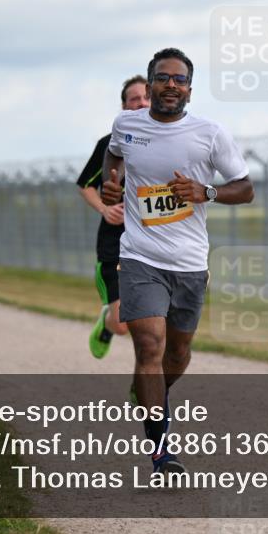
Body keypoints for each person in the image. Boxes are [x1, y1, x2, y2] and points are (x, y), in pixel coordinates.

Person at [101, 47, 253, 475]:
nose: (172, 85)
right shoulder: (126, 125)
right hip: (139, 256)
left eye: (180, 79)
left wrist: (206, 193)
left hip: (189, 263)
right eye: (163, 78)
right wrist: (112, 184)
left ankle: (147, 390)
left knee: (178, 355)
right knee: (150, 345)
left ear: (190, 88)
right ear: (149, 86)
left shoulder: (209, 133)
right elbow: (114, 155)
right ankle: (160, 448)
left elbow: (245, 188)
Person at [77, 75, 150, 358]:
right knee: (123, 325)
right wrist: (105, 209)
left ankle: (145, 387)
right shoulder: (109, 144)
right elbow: (85, 185)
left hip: (153, 243)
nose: (142, 103)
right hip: (115, 244)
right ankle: (107, 324)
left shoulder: (169, 143)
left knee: (152, 324)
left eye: (147, 97)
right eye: (135, 98)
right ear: (124, 106)